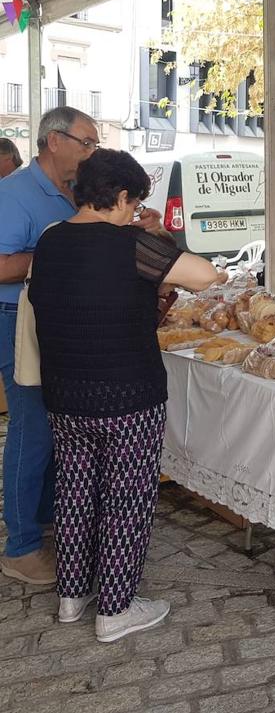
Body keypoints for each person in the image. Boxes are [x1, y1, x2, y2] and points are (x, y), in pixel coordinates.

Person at [30, 149, 226, 641]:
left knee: (74, 493)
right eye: (134, 202)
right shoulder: (133, 244)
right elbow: (207, 275)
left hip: (65, 394)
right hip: (127, 397)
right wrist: (152, 232)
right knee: (127, 499)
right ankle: (116, 608)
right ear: (120, 197)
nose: (135, 210)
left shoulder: (51, 241)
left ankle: (72, 597)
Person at [0, 107, 165, 586]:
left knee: (60, 433)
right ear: (54, 141)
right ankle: (22, 545)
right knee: (32, 431)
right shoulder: (14, 193)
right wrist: (72, 252)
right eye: (87, 141)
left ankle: (53, 525)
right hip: (17, 320)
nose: (92, 150)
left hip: (64, 326)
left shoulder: (75, 193)